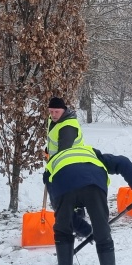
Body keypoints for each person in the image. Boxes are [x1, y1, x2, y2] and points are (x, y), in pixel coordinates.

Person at [46, 144, 132, 265]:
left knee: (62, 227)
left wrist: (84, 229)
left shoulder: (52, 165)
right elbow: (123, 162)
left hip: (64, 183)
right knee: (102, 229)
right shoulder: (92, 153)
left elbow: (61, 212)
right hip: (94, 183)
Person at [44, 96, 92, 237]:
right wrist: (48, 151)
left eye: (56, 112)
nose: (53, 115)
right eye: (51, 111)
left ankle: (78, 219)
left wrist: (51, 168)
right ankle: (72, 216)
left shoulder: (68, 127)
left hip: (72, 161)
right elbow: (53, 140)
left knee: (69, 188)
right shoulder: (54, 120)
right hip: (61, 160)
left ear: (63, 110)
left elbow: (63, 152)